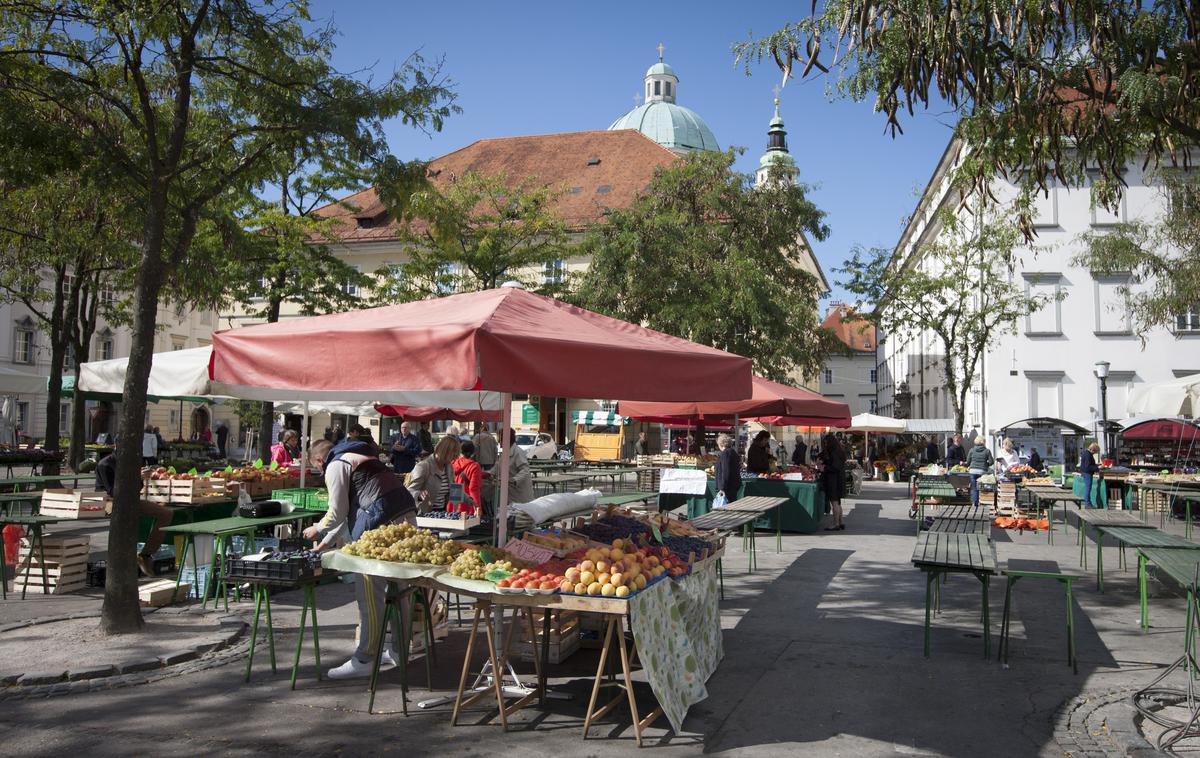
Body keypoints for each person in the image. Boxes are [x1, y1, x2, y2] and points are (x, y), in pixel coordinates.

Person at [302, 438, 417, 679]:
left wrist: (317, 529)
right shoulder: (360, 457)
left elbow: (336, 513)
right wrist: (325, 544)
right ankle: (399, 650)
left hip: (378, 525)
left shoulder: (334, 466)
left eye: (316, 467)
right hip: (404, 515)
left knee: (369, 594)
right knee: (400, 590)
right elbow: (348, 512)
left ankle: (365, 657)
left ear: (319, 460)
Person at [95, 444, 172, 577]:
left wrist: (142, 478)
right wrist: (136, 477)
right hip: (109, 501)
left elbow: (136, 489)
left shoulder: (133, 461)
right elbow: (113, 492)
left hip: (130, 499)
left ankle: (146, 554)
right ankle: (121, 560)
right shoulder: (105, 464)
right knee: (126, 514)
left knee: (166, 513)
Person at [407, 436, 461, 513]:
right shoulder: (423, 466)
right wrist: (419, 494)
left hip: (442, 513)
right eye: (454, 455)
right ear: (445, 452)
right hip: (423, 514)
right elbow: (409, 491)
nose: (455, 458)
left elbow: (454, 489)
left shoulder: (449, 467)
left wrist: (469, 499)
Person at [820, 434, 847, 530]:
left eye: (826, 442)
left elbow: (834, 467)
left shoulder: (834, 452)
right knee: (838, 502)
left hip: (834, 480)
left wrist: (824, 468)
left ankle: (836, 524)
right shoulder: (838, 451)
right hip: (838, 479)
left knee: (834, 502)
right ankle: (840, 522)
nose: (825, 444)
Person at [505, 428, 536, 504]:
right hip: (511, 493)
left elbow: (525, 470)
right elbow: (498, 466)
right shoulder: (505, 452)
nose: (499, 442)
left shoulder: (518, 452)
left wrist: (515, 479)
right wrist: (489, 473)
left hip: (520, 494)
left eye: (500, 439)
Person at [452, 440, 484, 514]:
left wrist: (485, 474)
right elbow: (473, 489)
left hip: (453, 505)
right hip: (467, 506)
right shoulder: (475, 466)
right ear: (472, 453)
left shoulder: (453, 463)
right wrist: (477, 507)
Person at [965, 436, 995, 506]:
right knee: (982, 487)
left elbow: (968, 462)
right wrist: (986, 464)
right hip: (982, 471)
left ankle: (974, 503)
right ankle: (982, 502)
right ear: (983, 442)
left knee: (974, 488)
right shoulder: (987, 451)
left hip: (972, 471)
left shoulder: (971, 450)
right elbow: (991, 462)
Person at [714, 433, 742, 504]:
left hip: (728, 488)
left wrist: (722, 488)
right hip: (733, 486)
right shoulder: (733, 452)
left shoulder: (725, 454)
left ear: (721, 444)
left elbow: (725, 471)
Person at [1080, 442, 1101, 508]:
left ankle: (1088, 503)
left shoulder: (1087, 453)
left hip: (1086, 472)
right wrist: (1098, 468)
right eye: (1095, 451)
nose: (1095, 453)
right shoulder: (1088, 455)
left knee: (1088, 488)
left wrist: (1097, 465)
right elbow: (1088, 466)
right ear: (1093, 449)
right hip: (1087, 473)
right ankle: (1087, 504)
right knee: (1088, 488)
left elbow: (1088, 465)